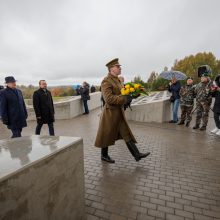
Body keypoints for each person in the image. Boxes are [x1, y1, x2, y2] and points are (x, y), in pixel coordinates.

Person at [95, 58, 150, 163]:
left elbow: (124, 93)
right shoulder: (106, 81)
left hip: (119, 112)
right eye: (117, 66)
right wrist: (125, 99)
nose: (120, 68)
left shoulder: (119, 80)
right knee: (106, 134)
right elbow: (109, 99)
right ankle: (104, 155)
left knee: (126, 133)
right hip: (110, 114)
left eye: (119, 66)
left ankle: (137, 155)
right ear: (111, 69)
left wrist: (134, 95)